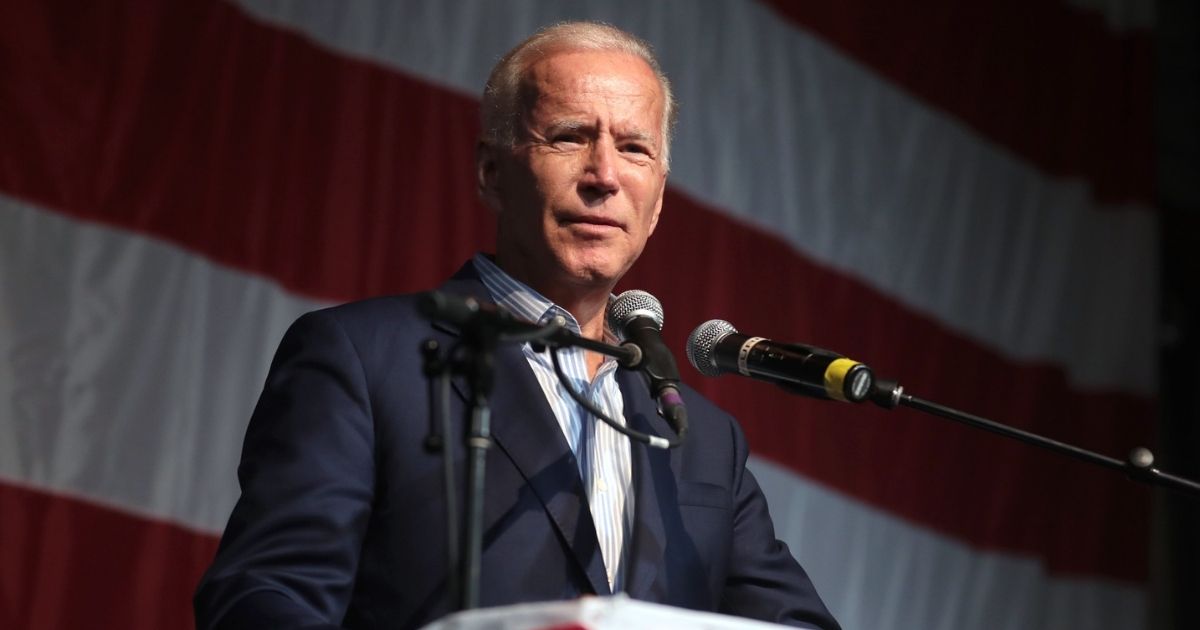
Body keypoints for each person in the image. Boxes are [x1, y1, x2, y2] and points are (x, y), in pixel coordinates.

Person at [194, 21, 840, 630]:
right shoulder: (362, 357)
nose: (604, 176)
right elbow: (266, 596)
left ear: (659, 200)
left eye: (634, 148)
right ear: (491, 171)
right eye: (569, 137)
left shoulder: (703, 438)